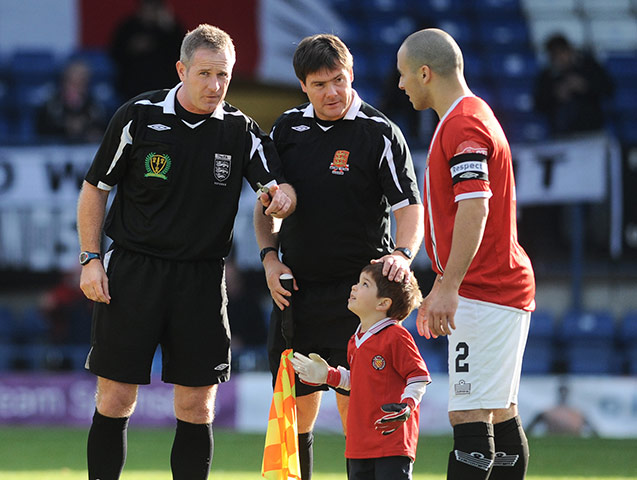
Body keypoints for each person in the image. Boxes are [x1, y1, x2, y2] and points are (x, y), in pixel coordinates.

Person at [77, 24, 295, 480]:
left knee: (198, 405)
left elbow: (275, 188)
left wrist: (283, 198)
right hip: (133, 272)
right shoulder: (138, 116)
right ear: (182, 69)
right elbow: (95, 188)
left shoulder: (240, 130)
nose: (215, 85)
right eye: (205, 73)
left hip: (200, 279)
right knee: (116, 396)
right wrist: (90, 257)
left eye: (224, 75)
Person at [254, 33, 424, 480]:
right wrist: (270, 258)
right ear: (303, 86)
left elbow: (410, 205)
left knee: (360, 414)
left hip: (361, 298)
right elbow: (266, 203)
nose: (332, 92)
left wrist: (404, 256)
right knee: (297, 414)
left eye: (339, 80)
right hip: (299, 295)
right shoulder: (288, 130)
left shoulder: (379, 132)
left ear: (351, 75)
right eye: (319, 84)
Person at [396, 29, 536, 480]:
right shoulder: (472, 115)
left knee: (471, 414)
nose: (400, 85)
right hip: (498, 287)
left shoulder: (463, 124)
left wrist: (447, 285)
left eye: (403, 75)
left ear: (424, 72)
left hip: (484, 290)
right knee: (497, 409)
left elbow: (475, 206)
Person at [291, 262, 431, 480]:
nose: (354, 288)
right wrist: (327, 375)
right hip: (359, 442)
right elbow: (357, 380)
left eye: (364, 284)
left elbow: (418, 376)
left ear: (383, 303)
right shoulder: (355, 340)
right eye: (357, 282)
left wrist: (407, 406)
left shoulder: (396, 335)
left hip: (391, 442)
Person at [533, 33, 614, 138]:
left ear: (569, 50)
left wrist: (584, 86)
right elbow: (538, 105)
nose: (559, 58)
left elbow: (608, 89)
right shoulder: (547, 76)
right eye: (554, 55)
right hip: (561, 136)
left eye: (561, 52)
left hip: (591, 133)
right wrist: (556, 95)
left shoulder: (588, 67)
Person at [109, 0, 186, 102]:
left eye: (153, 8)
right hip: (132, 86)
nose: (149, 12)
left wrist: (170, 27)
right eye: (146, 8)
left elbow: (182, 53)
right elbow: (115, 53)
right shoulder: (129, 27)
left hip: (164, 85)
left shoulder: (169, 29)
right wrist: (133, 48)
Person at [36, 59, 108, 143]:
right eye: (72, 81)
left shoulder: (94, 106)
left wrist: (88, 129)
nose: (76, 87)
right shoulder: (50, 105)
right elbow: (41, 132)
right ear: (63, 81)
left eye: (81, 82)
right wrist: (66, 127)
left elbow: (102, 129)